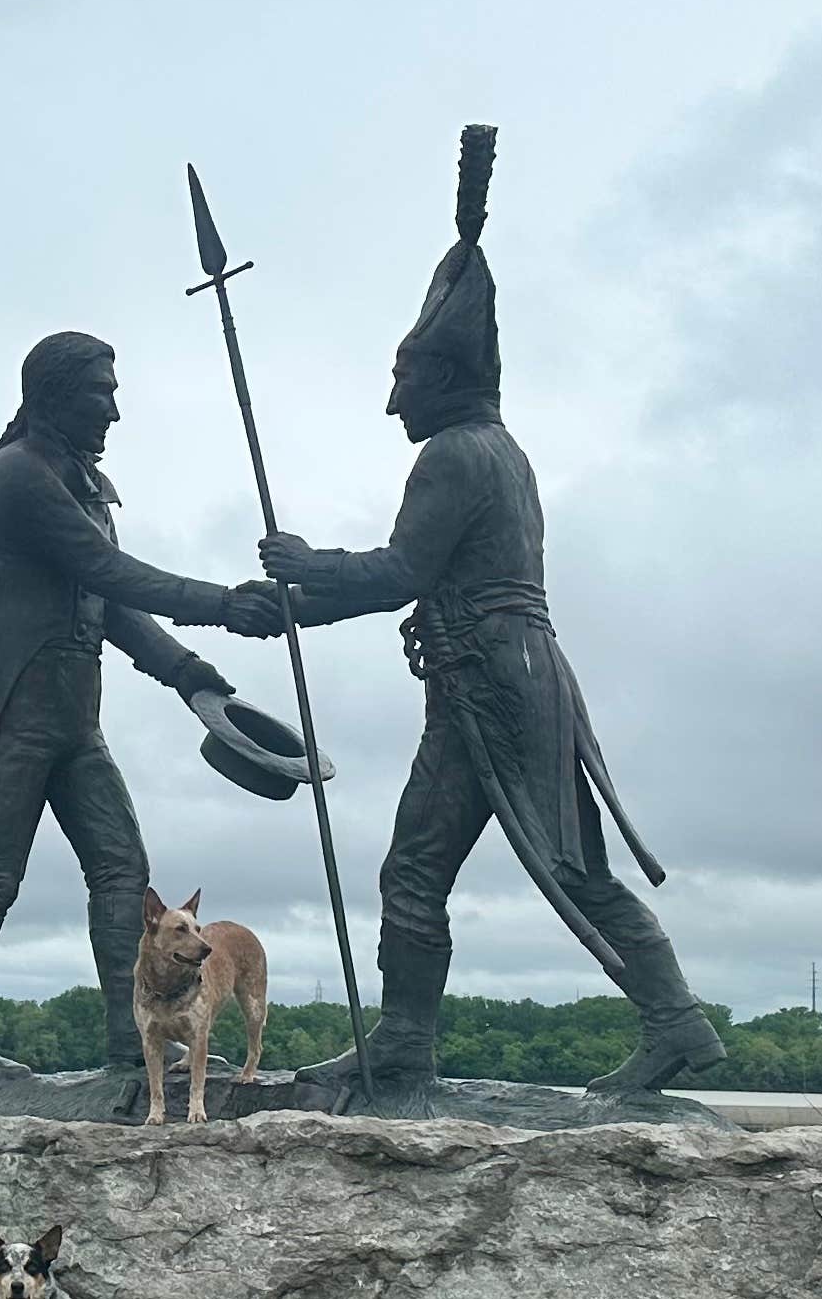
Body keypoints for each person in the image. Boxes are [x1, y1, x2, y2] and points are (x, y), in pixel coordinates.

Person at [257, 128, 722, 1103]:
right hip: (499, 677)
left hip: (494, 687)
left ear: (442, 379)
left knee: (531, 868)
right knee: (429, 869)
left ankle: (668, 1024)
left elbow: (399, 573)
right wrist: (291, 607)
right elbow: (423, 581)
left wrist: (307, 567)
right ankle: (408, 1043)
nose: (392, 403)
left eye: (402, 380)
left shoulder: (457, 454)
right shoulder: (499, 452)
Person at [0, 330, 286, 1097]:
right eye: (101, 394)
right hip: (18, 707)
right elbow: (108, 569)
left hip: (75, 717)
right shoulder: (17, 477)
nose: (114, 412)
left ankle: (134, 1038)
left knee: (123, 869)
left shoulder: (85, 488)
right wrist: (221, 604)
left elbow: (110, 603)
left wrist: (189, 675)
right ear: (53, 395)